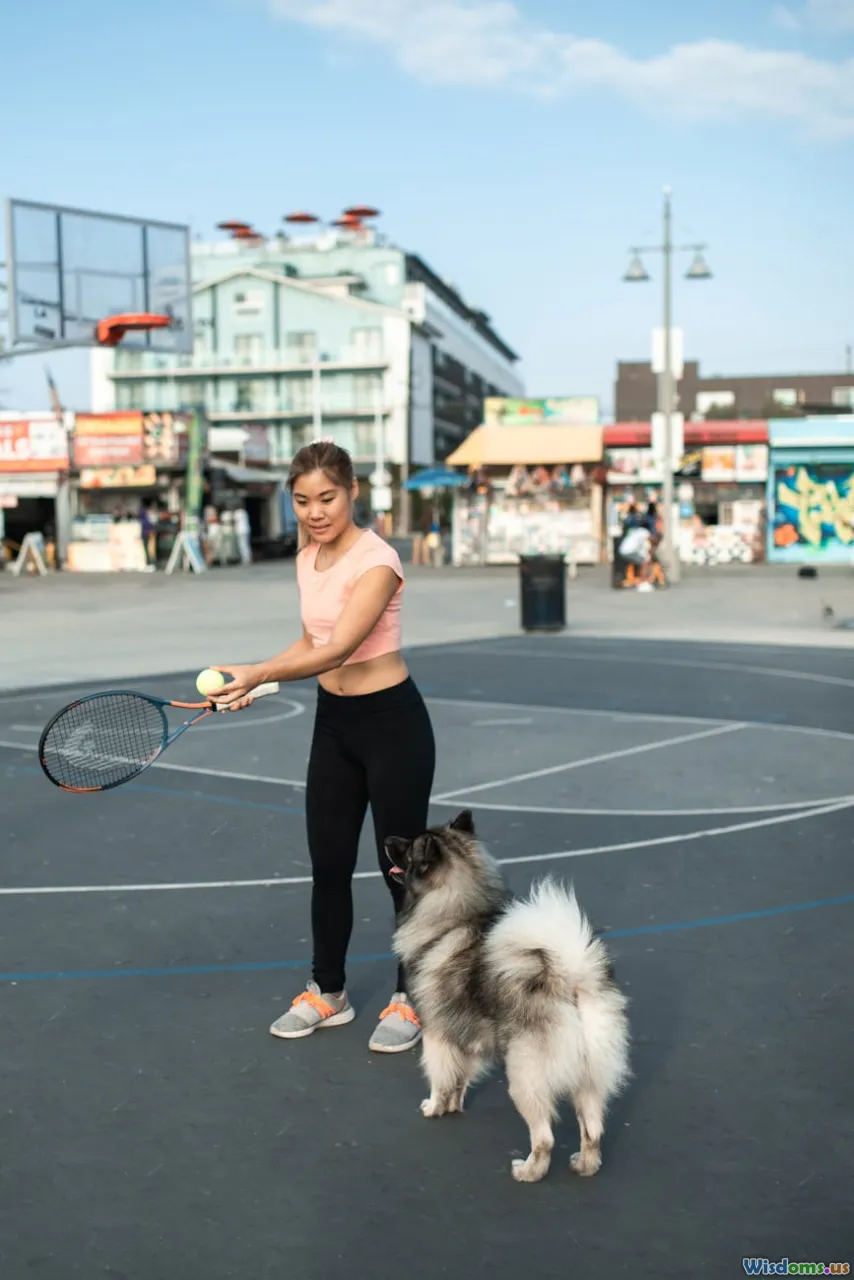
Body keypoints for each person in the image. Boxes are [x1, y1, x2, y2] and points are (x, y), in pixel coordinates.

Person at [210, 442, 436, 1053]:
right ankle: (327, 991)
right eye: (303, 500)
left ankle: (412, 997)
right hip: (335, 724)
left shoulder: (378, 561)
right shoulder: (307, 557)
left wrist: (261, 672)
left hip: (392, 724)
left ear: (352, 491)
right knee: (328, 864)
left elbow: (339, 649)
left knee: (401, 873)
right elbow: (311, 639)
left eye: (327, 498)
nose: (314, 512)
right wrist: (252, 678)